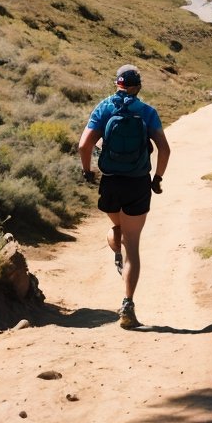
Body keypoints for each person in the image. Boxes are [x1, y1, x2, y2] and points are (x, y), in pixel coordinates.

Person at [78, 65, 170, 329]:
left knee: (117, 229)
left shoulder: (104, 108)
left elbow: (84, 145)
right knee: (133, 243)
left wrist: (87, 172)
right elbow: (164, 149)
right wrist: (157, 179)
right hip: (138, 183)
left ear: (117, 84)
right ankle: (127, 304)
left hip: (111, 183)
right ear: (137, 86)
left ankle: (115, 245)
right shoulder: (147, 112)